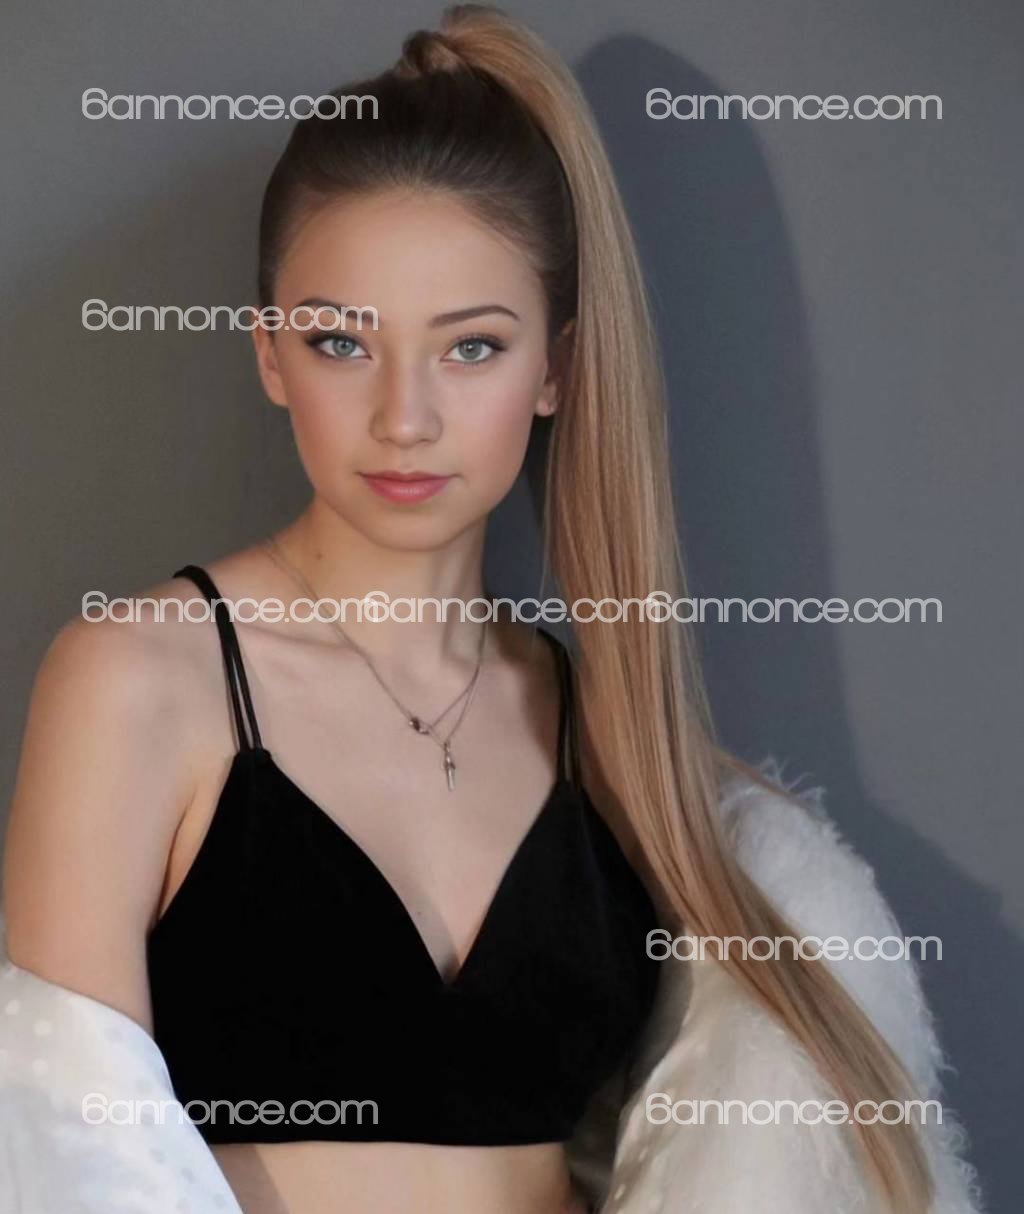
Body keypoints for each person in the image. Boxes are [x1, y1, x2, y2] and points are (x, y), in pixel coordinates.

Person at [0, 6, 981, 1213]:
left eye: (470, 348)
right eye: (340, 342)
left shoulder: (605, 732)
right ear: (268, 353)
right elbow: (60, 1149)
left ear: (555, 367)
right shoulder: (138, 676)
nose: (404, 417)